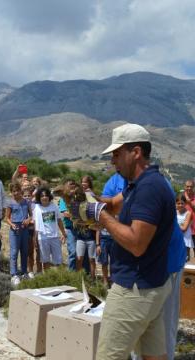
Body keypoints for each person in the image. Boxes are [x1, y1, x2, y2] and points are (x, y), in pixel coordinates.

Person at [83, 123, 175, 360]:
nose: (113, 160)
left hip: (133, 289)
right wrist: (85, 199)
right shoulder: (140, 184)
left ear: (135, 152)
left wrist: (101, 217)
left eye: (116, 153)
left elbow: (136, 243)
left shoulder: (149, 189)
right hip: (150, 285)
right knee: (154, 356)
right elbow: (112, 204)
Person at [33, 187, 66, 271]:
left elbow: (59, 220)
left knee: (58, 260)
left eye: (46, 195)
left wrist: (63, 233)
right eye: (42, 196)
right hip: (43, 238)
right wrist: (35, 238)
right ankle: (47, 278)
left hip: (54, 236)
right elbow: (36, 224)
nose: (44, 197)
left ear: (49, 197)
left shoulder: (54, 206)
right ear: (39, 198)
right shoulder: (36, 208)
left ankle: (60, 278)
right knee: (45, 260)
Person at [5, 182, 32, 285]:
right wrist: (11, 224)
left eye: (17, 190)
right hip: (15, 230)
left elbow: (31, 215)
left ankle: (24, 272)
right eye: (13, 191)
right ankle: (14, 274)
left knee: (25, 251)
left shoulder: (26, 202)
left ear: (21, 191)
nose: (16, 193)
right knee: (14, 252)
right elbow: (6, 218)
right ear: (11, 192)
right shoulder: (10, 203)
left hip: (25, 229)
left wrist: (28, 220)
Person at [23, 186, 41, 275]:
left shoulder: (35, 206)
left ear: (31, 196)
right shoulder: (22, 205)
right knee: (27, 250)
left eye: (28, 196)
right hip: (25, 230)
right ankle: (28, 269)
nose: (27, 197)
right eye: (25, 196)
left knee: (35, 249)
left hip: (34, 229)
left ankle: (36, 270)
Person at [176, 193, 193, 260]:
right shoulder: (174, 212)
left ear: (185, 204)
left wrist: (175, 224)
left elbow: (184, 228)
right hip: (176, 237)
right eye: (178, 203)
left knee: (185, 258)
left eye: (182, 203)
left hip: (185, 238)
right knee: (176, 257)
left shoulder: (188, 213)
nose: (180, 205)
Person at [184, 179, 195, 258]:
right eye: (187, 186)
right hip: (184, 226)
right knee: (184, 248)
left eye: (191, 187)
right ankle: (183, 268)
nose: (189, 188)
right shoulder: (181, 196)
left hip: (194, 226)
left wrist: (189, 202)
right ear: (185, 187)